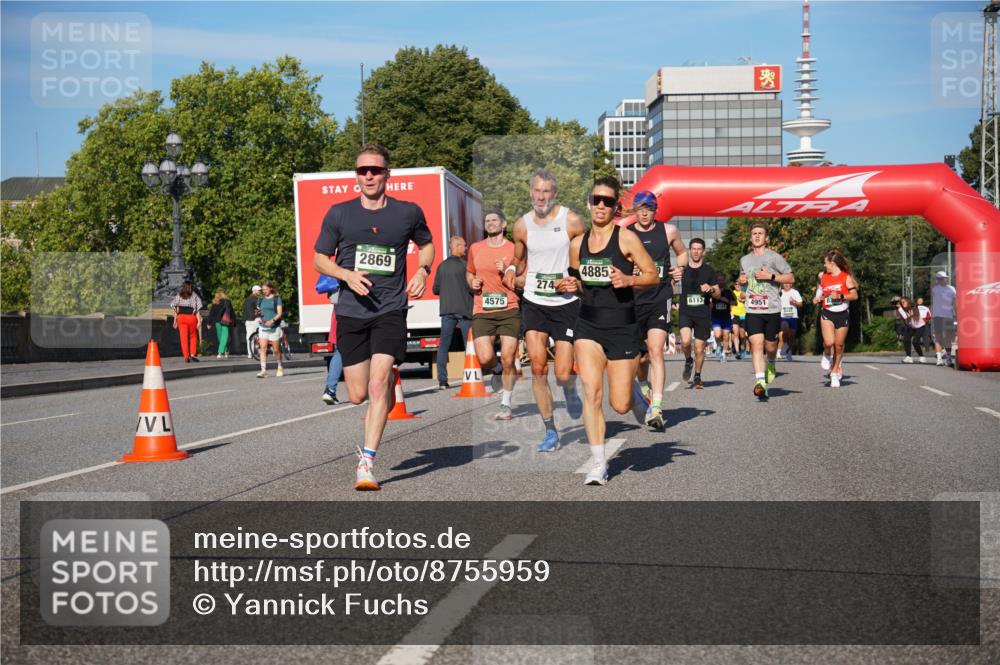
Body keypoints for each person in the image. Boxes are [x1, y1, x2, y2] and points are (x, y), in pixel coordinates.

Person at [313, 143, 434, 491]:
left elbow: (426, 245)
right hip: (351, 311)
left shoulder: (407, 212)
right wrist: (346, 275)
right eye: (362, 170)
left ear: (387, 175)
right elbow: (320, 259)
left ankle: (366, 464)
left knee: (379, 384)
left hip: (390, 309)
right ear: (356, 175)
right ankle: (385, 393)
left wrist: (423, 271)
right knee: (356, 394)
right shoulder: (340, 214)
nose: (369, 176)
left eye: (375, 170)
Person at [561, 177, 658, 485]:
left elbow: (653, 276)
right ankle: (599, 463)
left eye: (606, 201)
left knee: (620, 405)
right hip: (588, 324)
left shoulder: (627, 238)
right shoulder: (577, 243)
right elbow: (578, 284)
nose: (600, 205)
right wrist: (570, 285)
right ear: (589, 203)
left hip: (622, 325)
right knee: (591, 392)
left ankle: (633, 389)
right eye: (595, 200)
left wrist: (630, 280)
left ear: (616, 207)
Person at [503, 169, 585, 452]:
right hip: (535, 301)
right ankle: (550, 430)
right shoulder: (521, 225)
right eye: (537, 191)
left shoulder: (572, 221)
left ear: (555, 193)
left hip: (565, 304)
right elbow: (518, 256)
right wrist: (512, 271)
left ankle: (570, 387)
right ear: (530, 192)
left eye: (546, 191)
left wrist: (577, 279)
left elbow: (587, 255)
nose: (541, 196)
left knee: (562, 373)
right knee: (537, 367)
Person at [629, 191, 687, 430]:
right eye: (640, 208)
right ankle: (644, 387)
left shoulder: (668, 231)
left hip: (660, 297)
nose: (644, 213)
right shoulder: (626, 233)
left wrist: (678, 269)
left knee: (655, 351)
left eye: (649, 208)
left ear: (655, 210)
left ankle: (657, 407)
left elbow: (682, 253)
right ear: (635, 210)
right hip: (633, 300)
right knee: (639, 357)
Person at [467, 209, 520, 420]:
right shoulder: (475, 248)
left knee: (509, 357)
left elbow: (523, 276)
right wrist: (472, 282)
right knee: (485, 357)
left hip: (509, 308)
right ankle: (496, 369)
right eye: (486, 221)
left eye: (493, 220)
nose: (489, 223)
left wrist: (507, 269)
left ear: (504, 224)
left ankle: (506, 404)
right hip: (483, 309)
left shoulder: (514, 249)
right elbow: (470, 272)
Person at [740, 221, 795, 401]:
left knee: (770, 346)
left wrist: (771, 276)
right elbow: (745, 281)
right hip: (752, 309)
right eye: (754, 233)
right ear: (750, 237)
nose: (757, 236)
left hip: (771, 308)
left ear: (766, 238)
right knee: (756, 344)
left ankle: (771, 363)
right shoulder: (744, 260)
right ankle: (760, 383)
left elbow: (790, 277)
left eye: (760, 233)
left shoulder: (774, 257)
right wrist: (742, 286)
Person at [677, 238, 720, 390]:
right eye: (693, 249)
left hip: (702, 313)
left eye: (699, 249)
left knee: (700, 348)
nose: (696, 251)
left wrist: (711, 289)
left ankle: (697, 375)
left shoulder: (709, 270)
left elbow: (718, 293)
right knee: (686, 341)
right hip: (686, 311)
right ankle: (688, 360)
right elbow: (670, 283)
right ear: (689, 251)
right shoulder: (683, 269)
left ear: (703, 251)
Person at [812, 251, 859, 387]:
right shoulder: (823, 276)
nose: (824, 266)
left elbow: (854, 295)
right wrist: (817, 297)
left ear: (832, 264)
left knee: (838, 346)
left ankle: (834, 372)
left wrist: (841, 296)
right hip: (827, 312)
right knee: (829, 342)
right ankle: (826, 353)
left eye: (826, 263)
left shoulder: (846, 278)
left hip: (843, 314)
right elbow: (820, 290)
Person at [432, 236, 473, 389]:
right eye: (464, 245)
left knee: (444, 346)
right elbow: (471, 287)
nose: (466, 248)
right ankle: (472, 376)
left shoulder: (441, 266)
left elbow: (435, 289)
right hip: (464, 310)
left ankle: (443, 381)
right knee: (470, 346)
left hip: (446, 311)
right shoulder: (466, 266)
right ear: (456, 246)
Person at [255, 281, 284, 378]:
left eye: (266, 289)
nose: (264, 291)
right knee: (263, 348)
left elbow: (279, 313)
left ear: (271, 288)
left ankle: (279, 366)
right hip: (263, 327)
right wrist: (258, 314)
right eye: (263, 289)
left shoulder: (277, 299)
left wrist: (272, 320)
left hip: (274, 327)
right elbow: (257, 312)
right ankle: (263, 370)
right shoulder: (260, 299)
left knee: (276, 350)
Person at [171, 282, 203, 363]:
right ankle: (192, 355)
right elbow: (198, 310)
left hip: (181, 317)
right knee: (193, 336)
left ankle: (186, 356)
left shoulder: (179, 295)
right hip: (191, 317)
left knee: (183, 338)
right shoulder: (194, 295)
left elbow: (175, 308)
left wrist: (175, 320)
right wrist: (199, 321)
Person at [930, 271, 957, 367]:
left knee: (948, 338)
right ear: (938, 280)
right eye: (941, 278)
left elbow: (955, 302)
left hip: (949, 316)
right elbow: (930, 293)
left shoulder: (952, 289)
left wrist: (956, 313)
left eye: (945, 278)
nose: (944, 279)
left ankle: (949, 359)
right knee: (938, 338)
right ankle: (939, 359)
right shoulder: (934, 289)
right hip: (937, 316)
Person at [322, 298, 344, 405]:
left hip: (340, 310)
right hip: (360, 311)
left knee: (340, 352)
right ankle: (367, 392)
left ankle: (330, 390)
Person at [711, 274, 734, 364]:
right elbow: (708, 302)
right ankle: (719, 346)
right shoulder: (712, 292)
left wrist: (726, 300)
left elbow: (734, 302)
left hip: (726, 317)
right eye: (719, 280)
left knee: (725, 336)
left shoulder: (728, 292)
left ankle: (723, 354)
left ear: (724, 281)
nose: (720, 281)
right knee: (717, 335)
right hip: (716, 317)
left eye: (722, 280)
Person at [896, 297, 927, 363]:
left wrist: (900, 308)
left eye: (903, 302)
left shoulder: (913, 307)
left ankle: (922, 357)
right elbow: (903, 321)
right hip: (911, 327)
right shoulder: (903, 309)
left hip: (920, 326)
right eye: (901, 302)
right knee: (906, 339)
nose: (902, 303)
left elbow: (906, 317)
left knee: (915, 342)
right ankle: (908, 357)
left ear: (908, 301)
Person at [778, 280, 803, 361]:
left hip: (793, 317)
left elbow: (801, 304)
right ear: (782, 284)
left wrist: (794, 302)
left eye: (788, 283)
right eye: (785, 283)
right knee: (784, 329)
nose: (787, 284)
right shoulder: (779, 292)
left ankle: (789, 352)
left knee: (791, 337)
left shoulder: (795, 292)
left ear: (791, 284)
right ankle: (782, 348)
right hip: (782, 316)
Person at [730, 271, 747, 359]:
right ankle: (737, 352)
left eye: (739, 284)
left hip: (744, 315)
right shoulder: (732, 293)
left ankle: (744, 349)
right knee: (736, 334)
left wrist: (744, 300)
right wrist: (730, 312)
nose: (737, 285)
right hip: (735, 315)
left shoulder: (745, 292)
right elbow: (729, 303)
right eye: (736, 284)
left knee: (742, 335)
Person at [242, 285, 261, 358]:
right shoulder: (255, 299)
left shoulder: (247, 299)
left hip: (248, 320)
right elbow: (259, 308)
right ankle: (259, 351)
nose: (260, 292)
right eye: (259, 290)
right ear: (254, 291)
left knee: (249, 337)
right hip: (255, 320)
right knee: (259, 336)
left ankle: (250, 353)